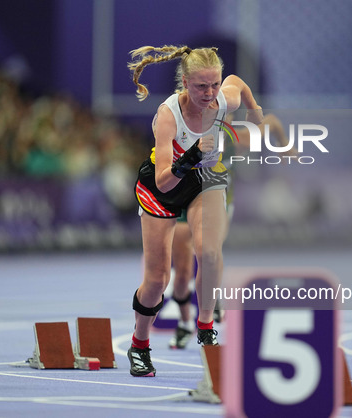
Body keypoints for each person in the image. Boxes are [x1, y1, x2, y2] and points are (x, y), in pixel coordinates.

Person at [127, 45, 263, 377]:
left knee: (210, 253)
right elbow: (163, 182)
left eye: (214, 85)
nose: (210, 93)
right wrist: (189, 156)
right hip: (163, 188)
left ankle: (205, 325)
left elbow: (238, 84)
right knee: (158, 280)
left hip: (205, 179)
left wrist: (255, 111)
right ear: (185, 83)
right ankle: (140, 344)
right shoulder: (168, 115)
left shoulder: (222, 98)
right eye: (202, 86)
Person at [167, 112, 296, 350]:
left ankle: (211, 294)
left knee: (210, 251)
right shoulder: (184, 131)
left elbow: (273, 123)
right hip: (184, 202)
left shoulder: (236, 138)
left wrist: (285, 147)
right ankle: (185, 321)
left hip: (220, 202)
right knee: (183, 270)